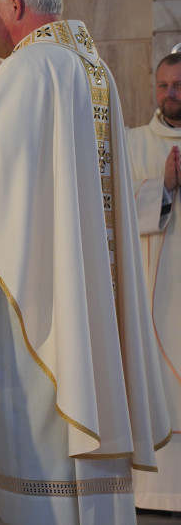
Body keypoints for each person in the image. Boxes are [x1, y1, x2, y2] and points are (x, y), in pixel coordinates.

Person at [0, 0, 170, 524]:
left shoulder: (28, 67)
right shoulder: (94, 67)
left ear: (16, 7)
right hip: (91, 277)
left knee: (39, 410)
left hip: (39, 278)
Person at [128, 51, 181, 511]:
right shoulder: (131, 143)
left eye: (178, 85)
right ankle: (155, 491)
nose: (170, 94)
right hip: (151, 290)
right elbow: (112, 206)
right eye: (163, 85)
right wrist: (161, 186)